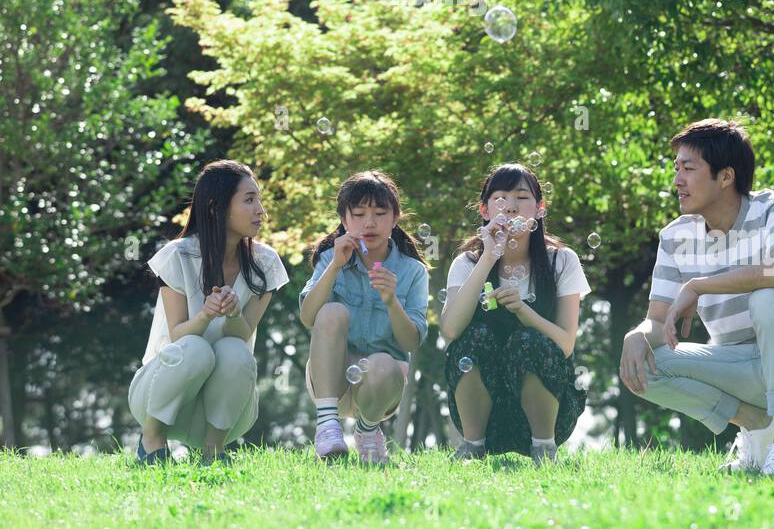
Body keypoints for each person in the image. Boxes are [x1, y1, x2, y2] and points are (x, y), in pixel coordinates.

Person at [619, 119, 774, 475]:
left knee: (767, 297)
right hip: (742, 364)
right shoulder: (675, 236)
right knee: (646, 364)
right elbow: (657, 320)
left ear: (725, 176)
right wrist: (637, 334)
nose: (677, 180)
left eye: (689, 169)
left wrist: (698, 285)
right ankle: (757, 424)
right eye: (676, 168)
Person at [128, 160, 288, 465]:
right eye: (249, 200)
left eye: (260, 200)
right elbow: (176, 334)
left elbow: (244, 333)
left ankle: (214, 450)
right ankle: (151, 442)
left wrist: (233, 314)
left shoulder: (266, 264)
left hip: (225, 411)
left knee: (235, 350)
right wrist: (204, 315)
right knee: (195, 348)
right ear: (216, 207)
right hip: (159, 398)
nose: (261, 211)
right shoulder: (177, 256)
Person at [440, 163, 589, 465]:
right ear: (484, 210)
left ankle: (544, 450)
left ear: (540, 209)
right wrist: (489, 257)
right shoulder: (467, 264)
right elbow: (451, 330)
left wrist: (523, 311)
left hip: (550, 414)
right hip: (486, 417)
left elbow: (566, 344)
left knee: (528, 340)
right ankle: (473, 447)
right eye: (500, 198)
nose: (510, 206)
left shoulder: (561, 261)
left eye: (521, 197)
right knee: (474, 336)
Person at [300, 170, 430, 464]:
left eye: (380, 213)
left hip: (381, 386)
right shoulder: (329, 260)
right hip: (331, 380)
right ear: (344, 221)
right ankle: (327, 425)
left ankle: (367, 431)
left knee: (382, 363)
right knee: (331, 311)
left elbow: (410, 341)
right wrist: (334, 267)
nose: (369, 222)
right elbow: (308, 317)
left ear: (395, 217)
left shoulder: (413, 272)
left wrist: (391, 301)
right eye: (358, 214)